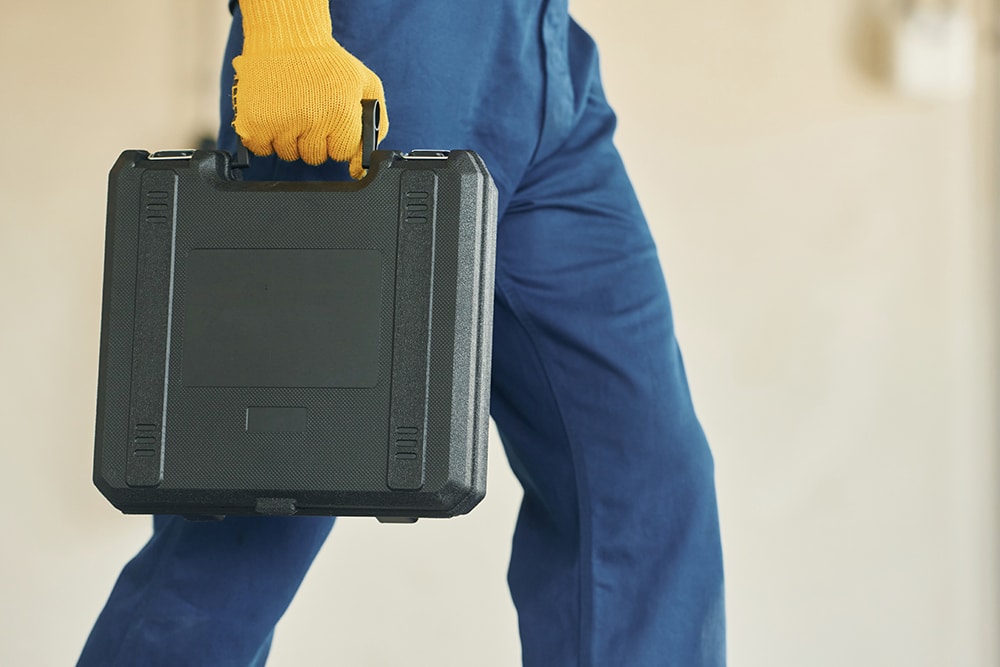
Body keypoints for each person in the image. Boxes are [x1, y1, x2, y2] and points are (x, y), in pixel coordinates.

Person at [78, 1, 726, 665]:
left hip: (542, 58)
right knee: (253, 511)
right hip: (380, 56)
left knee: (642, 476)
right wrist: (285, 27)